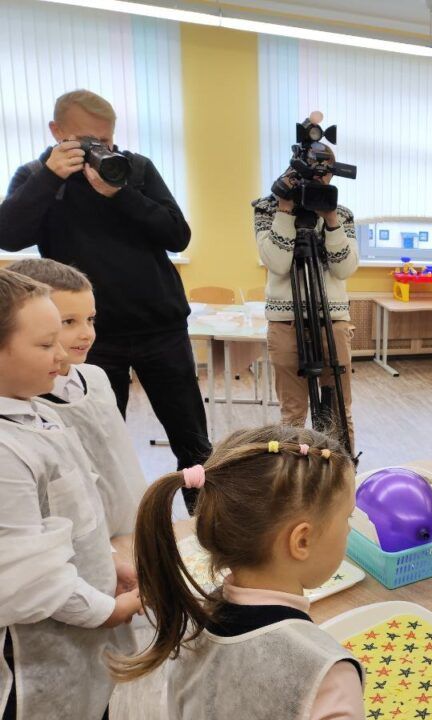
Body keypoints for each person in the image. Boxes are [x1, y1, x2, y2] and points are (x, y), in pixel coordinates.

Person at [113, 425, 374, 720]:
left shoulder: (191, 617)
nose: (350, 529)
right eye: (347, 517)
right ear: (301, 541)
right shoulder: (328, 677)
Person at [0, 90, 210, 510]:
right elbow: (9, 235)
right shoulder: (36, 176)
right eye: (86, 141)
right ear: (57, 132)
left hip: (160, 327)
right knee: (94, 444)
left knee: (192, 441)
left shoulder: (136, 169)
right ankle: (111, 537)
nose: (99, 151)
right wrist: (49, 176)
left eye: (106, 141)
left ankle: (208, 527)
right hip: (86, 336)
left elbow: (177, 235)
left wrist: (121, 192)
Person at [0, 271, 156, 720]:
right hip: (37, 642)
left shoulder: (32, 412)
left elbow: (80, 506)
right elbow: (29, 583)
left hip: (85, 602)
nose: (66, 357)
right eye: (48, 343)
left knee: (90, 697)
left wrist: (110, 563)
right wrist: (111, 609)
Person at [7, 258, 146, 537]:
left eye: (90, 319)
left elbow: (120, 456)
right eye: (68, 322)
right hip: (86, 538)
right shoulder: (32, 403)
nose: (86, 333)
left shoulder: (95, 377)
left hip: (132, 523)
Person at [253, 149, 359, 448]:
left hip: (333, 318)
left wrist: (331, 219)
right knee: (293, 413)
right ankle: (296, 480)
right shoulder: (267, 208)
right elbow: (278, 263)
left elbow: (344, 268)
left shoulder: (342, 213)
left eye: (325, 172)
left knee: (338, 409)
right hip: (286, 322)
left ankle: (341, 475)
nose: (318, 178)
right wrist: (285, 212)